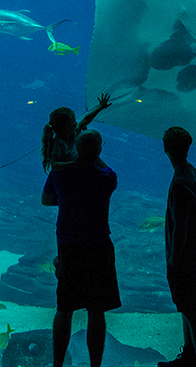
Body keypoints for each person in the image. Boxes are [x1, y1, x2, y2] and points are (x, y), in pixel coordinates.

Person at [42, 130, 120, 367]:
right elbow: (107, 170)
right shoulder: (107, 177)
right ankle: (94, 365)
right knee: (96, 311)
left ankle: (58, 364)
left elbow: (46, 200)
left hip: (68, 248)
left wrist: (66, 199)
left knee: (64, 308)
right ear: (99, 150)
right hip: (98, 247)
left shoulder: (59, 174)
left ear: (76, 147)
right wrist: (93, 153)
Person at [159, 127, 196, 367]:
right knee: (187, 307)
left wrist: (173, 259)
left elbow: (180, 227)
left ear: (165, 148)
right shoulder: (193, 173)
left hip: (183, 258)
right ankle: (190, 355)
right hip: (195, 253)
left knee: (191, 311)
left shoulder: (180, 182)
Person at [41, 92, 112, 172]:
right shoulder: (58, 143)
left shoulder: (74, 132)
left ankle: (108, 173)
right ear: (67, 126)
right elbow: (54, 165)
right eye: (74, 121)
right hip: (68, 174)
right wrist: (74, 164)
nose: (76, 123)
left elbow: (86, 119)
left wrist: (100, 107)